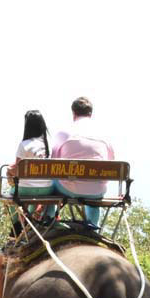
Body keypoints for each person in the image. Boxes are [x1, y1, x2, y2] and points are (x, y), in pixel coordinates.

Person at [0, 111, 54, 298]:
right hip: (47, 191)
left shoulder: (24, 144)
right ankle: (46, 219)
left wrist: (10, 171)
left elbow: (17, 170)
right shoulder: (50, 144)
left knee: (10, 198)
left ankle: (18, 228)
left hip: (26, 191)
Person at [51, 97, 114, 227]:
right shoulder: (105, 134)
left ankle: (49, 219)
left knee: (50, 181)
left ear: (73, 113)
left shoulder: (64, 133)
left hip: (67, 188)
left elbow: (53, 162)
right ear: (91, 114)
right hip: (97, 191)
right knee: (95, 188)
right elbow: (111, 162)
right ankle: (93, 226)